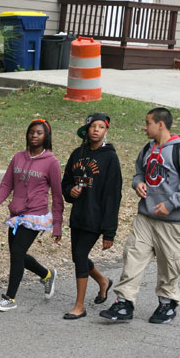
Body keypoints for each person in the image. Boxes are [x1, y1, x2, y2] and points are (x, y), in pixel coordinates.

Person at [100, 107, 180, 324]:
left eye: (148, 123)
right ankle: (124, 303)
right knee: (133, 256)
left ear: (160, 124)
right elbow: (138, 172)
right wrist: (138, 183)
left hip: (171, 222)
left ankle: (167, 303)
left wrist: (171, 204)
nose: (145, 127)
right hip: (145, 217)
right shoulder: (147, 148)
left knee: (169, 264)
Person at [0, 119, 63, 312]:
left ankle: (10, 298)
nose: (34, 135)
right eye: (31, 132)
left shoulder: (52, 162)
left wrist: (57, 225)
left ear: (46, 136)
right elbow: (6, 186)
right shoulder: (18, 158)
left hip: (35, 215)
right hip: (16, 214)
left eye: (39, 133)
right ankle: (47, 275)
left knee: (17, 254)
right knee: (18, 255)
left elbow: (58, 196)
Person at [61, 113, 122, 320]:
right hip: (78, 215)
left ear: (106, 131)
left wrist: (109, 232)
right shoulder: (77, 154)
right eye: (93, 126)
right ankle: (103, 281)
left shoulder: (110, 158)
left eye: (101, 127)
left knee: (79, 257)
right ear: (86, 130)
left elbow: (113, 195)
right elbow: (66, 181)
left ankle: (79, 306)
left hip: (96, 218)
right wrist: (70, 191)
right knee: (78, 256)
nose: (96, 130)